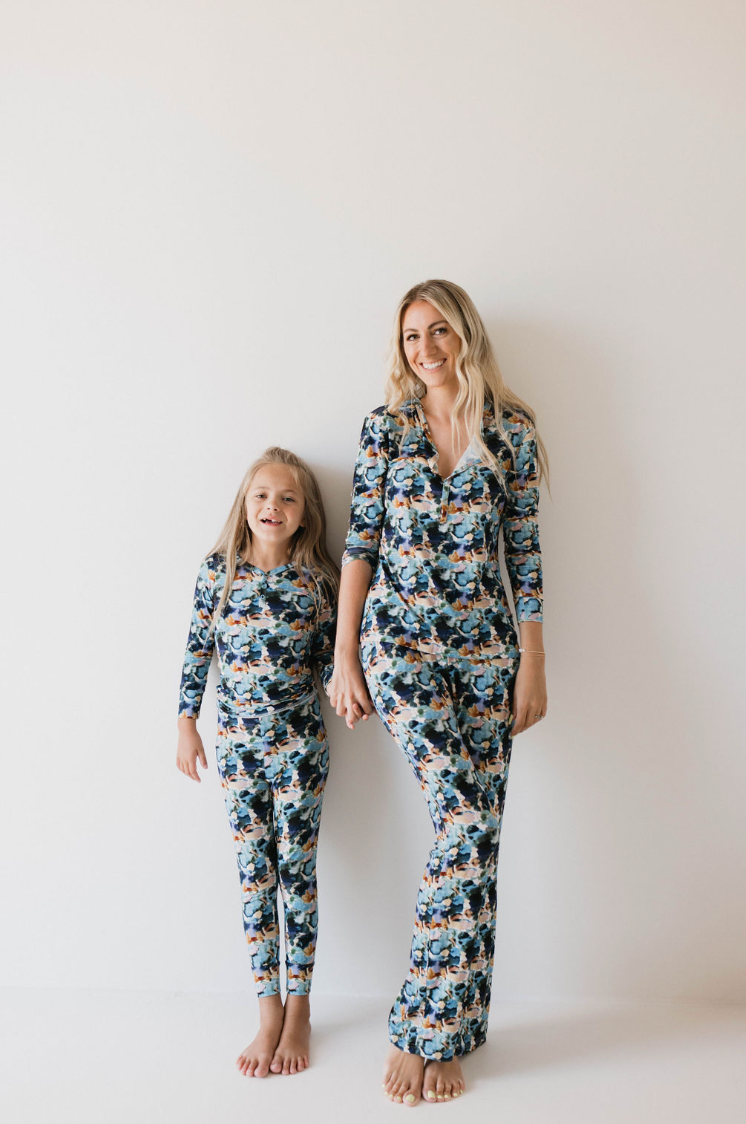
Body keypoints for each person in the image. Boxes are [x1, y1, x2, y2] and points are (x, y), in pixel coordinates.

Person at [329, 280, 548, 1106]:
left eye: (439, 331)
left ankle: (457, 1030)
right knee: (461, 816)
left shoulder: (512, 431)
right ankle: (418, 1028)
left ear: (466, 334)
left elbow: (524, 556)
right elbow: (359, 547)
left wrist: (532, 661)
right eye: (411, 336)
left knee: (478, 838)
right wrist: (345, 658)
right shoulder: (385, 431)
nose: (425, 348)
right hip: (401, 647)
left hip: (489, 655)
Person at [176, 447, 338, 1078]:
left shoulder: (316, 583)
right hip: (239, 752)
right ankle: (266, 1009)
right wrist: (186, 723)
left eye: (288, 498)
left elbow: (331, 662)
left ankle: (299, 1010)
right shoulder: (217, 573)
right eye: (262, 496)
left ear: (303, 515)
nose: (273, 506)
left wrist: (352, 690)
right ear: (245, 506)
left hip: (301, 749)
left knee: (296, 875)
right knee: (254, 875)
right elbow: (195, 652)